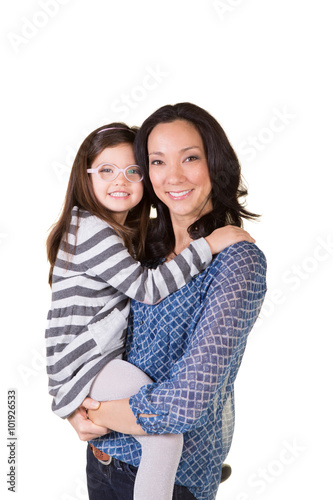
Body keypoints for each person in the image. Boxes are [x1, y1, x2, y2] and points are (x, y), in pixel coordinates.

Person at [45, 122, 255, 500]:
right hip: (104, 457)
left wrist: (92, 412)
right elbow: (143, 292)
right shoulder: (144, 242)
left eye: (190, 157)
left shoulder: (237, 261)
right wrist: (73, 404)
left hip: (171, 478)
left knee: (166, 436)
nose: (172, 175)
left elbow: (185, 402)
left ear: (216, 164)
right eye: (158, 162)